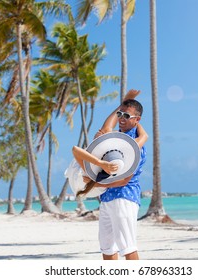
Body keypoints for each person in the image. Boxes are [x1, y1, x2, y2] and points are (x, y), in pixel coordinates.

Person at [70, 89, 147, 260]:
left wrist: (93, 182)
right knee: (107, 248)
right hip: (107, 198)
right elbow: (107, 125)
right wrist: (126, 101)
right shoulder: (115, 138)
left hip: (124, 197)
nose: (121, 118)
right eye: (120, 114)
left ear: (137, 120)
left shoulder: (135, 145)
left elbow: (123, 181)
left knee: (128, 247)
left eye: (126, 116)